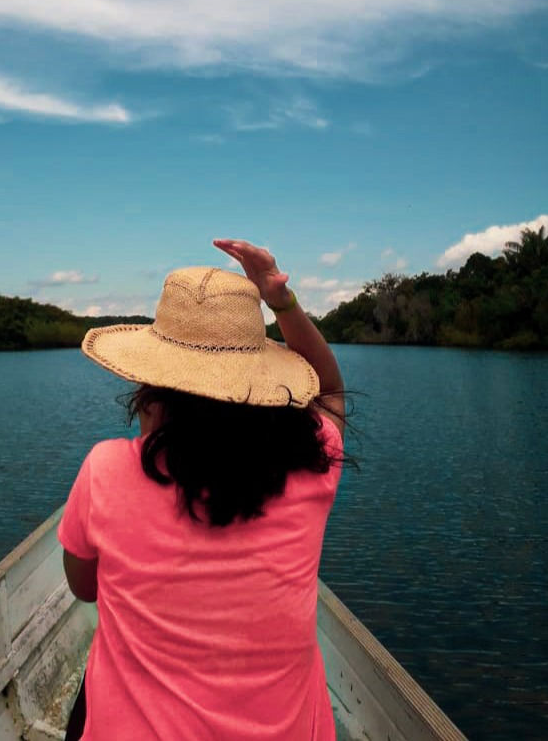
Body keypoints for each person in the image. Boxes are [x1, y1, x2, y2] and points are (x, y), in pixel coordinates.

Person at [58, 239, 346, 740]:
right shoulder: (313, 462)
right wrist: (282, 303)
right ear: (260, 378)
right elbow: (330, 393)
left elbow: (84, 588)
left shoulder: (106, 470)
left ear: (153, 386)